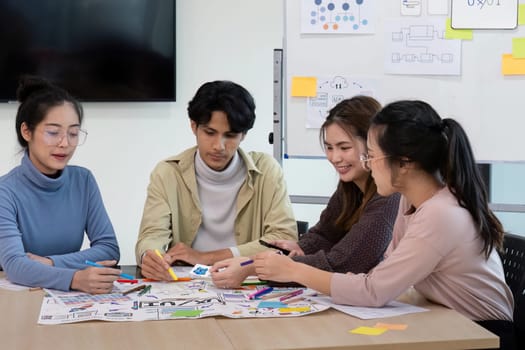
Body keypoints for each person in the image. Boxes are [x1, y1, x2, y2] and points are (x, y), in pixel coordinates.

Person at [254, 100, 515, 349]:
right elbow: (383, 273)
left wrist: (293, 270)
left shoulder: (441, 213)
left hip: (482, 334)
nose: (367, 165)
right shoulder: (410, 201)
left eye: (371, 156)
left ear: (403, 164)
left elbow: (374, 290)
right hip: (445, 319)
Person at [211, 96, 400, 288]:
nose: (335, 157)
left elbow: (342, 264)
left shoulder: (389, 196)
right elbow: (323, 235)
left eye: (344, 147)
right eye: (329, 148)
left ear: (371, 146)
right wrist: (298, 248)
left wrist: (252, 266)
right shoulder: (350, 187)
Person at [136, 80, 297, 281]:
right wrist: (150, 256)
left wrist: (206, 257)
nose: (218, 146)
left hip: (248, 281)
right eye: (210, 133)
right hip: (186, 283)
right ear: (193, 126)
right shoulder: (168, 173)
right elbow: (152, 235)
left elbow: (283, 240)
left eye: (230, 135)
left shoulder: (266, 170)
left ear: (244, 135)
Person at [0, 76, 121, 294]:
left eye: (73, 133)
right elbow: (15, 266)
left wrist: (51, 262)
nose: (64, 143)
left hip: (68, 299)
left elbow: (109, 249)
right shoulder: (5, 192)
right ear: (26, 131)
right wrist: (74, 278)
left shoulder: (83, 181)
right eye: (53, 132)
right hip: (19, 298)